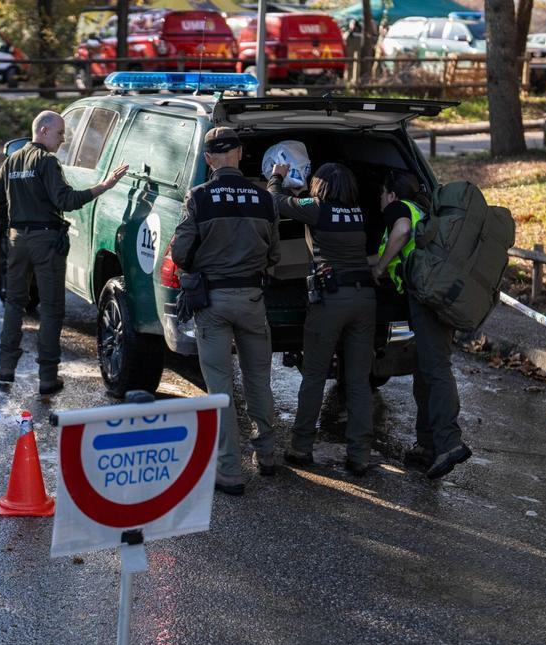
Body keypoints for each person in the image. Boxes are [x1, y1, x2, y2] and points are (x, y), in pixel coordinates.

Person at [0, 110, 128, 395]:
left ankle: (5, 369)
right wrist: (104, 186)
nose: (63, 140)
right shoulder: (47, 161)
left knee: (15, 304)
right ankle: (48, 378)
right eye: (60, 133)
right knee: (51, 309)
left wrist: (16, 220)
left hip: (17, 240)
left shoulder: (12, 160)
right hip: (46, 241)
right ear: (42, 131)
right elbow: (67, 199)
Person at [170, 127, 279, 496]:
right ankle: (267, 455)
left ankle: (230, 471)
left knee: (219, 387)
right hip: (252, 299)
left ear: (208, 159)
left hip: (213, 302)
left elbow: (181, 253)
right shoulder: (264, 199)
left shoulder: (199, 197)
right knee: (258, 380)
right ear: (241, 153)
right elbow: (275, 253)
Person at [269, 160, 376, 476]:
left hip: (331, 299)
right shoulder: (358, 212)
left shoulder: (315, 208)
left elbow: (275, 201)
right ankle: (360, 455)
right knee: (358, 380)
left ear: (321, 187)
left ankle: (301, 447)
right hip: (365, 298)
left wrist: (277, 176)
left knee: (315, 374)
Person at [370, 171, 471, 479]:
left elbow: (400, 233)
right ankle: (427, 445)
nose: (380, 200)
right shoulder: (424, 211)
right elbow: (397, 247)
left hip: (426, 299)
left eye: (381, 194)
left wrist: (381, 268)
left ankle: (449, 443)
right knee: (424, 371)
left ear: (391, 194)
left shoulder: (399, 209)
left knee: (436, 368)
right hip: (437, 294)